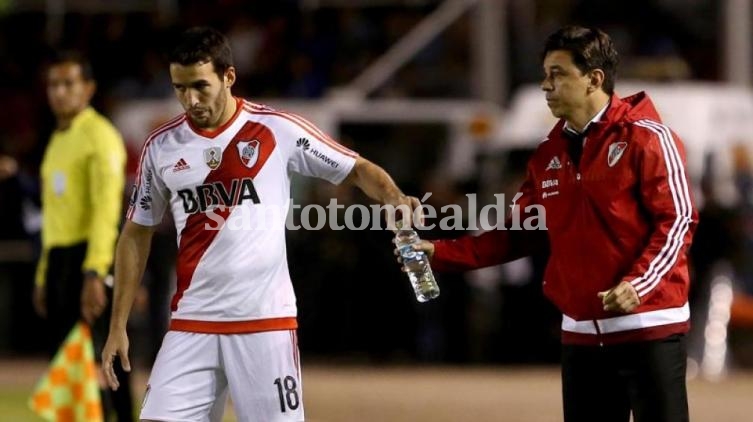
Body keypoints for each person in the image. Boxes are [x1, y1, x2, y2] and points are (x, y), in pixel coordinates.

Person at [101, 26, 420, 422]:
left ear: (228, 77)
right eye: (179, 88)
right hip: (190, 325)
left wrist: (394, 197)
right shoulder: (161, 146)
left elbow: (356, 169)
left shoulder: (276, 130)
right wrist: (118, 326)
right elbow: (135, 234)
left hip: (264, 324)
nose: (190, 99)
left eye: (200, 86)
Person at [402, 26, 698, 422]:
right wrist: (441, 252)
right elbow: (517, 235)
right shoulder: (547, 154)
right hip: (580, 334)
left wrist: (639, 284)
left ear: (593, 78)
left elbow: (677, 220)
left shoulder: (648, 138)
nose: (546, 85)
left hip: (649, 326)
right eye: (546, 74)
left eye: (557, 74)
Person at [35, 51, 133, 420]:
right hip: (60, 259)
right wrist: (45, 274)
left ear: (88, 88)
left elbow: (107, 210)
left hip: (89, 258)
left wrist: (95, 272)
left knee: (101, 361)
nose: (59, 92)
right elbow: (54, 217)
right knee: (69, 366)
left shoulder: (100, 136)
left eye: (68, 83)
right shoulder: (58, 140)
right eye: (53, 85)